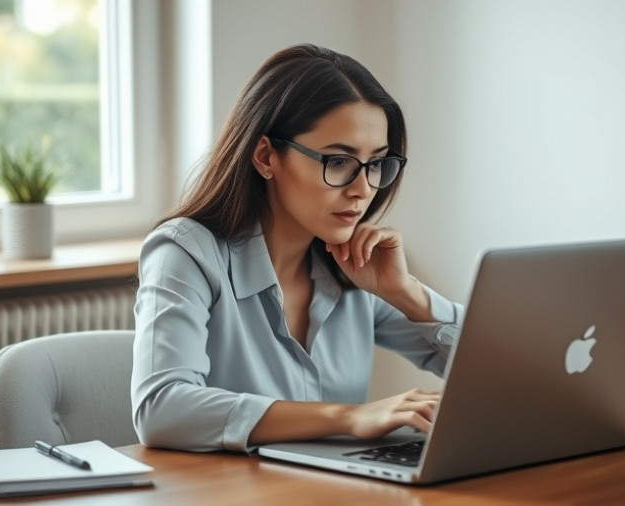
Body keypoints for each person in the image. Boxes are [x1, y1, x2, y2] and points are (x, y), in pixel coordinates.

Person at [131, 44, 465, 453]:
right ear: (266, 156)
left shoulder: (354, 265)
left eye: (376, 163)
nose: (363, 190)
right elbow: (160, 408)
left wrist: (406, 293)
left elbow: (501, 375)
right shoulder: (186, 253)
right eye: (338, 161)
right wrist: (349, 416)